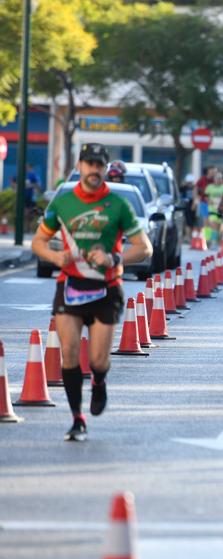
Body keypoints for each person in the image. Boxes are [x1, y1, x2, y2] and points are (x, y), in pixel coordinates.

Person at [31, 143, 153, 442]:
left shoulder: (118, 206)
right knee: (69, 353)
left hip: (106, 288)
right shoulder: (63, 203)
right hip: (70, 287)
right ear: (81, 166)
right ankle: (77, 418)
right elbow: (38, 242)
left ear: (105, 169)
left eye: (99, 165)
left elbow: (145, 247)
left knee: (98, 360)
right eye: (89, 164)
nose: (94, 170)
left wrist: (115, 258)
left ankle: (99, 381)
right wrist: (55, 258)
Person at [205, 172, 223, 249]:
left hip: (222, 211)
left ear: (222, 180)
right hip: (212, 210)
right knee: (213, 226)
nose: (218, 180)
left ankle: (219, 243)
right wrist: (209, 201)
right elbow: (206, 196)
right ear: (214, 179)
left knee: (220, 229)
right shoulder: (210, 187)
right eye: (216, 178)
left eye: (220, 178)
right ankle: (213, 243)